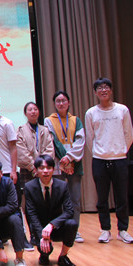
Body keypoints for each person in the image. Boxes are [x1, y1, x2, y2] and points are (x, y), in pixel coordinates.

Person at [85, 77, 133, 244]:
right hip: (99, 160)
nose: (103, 90)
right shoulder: (91, 113)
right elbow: (90, 138)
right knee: (102, 198)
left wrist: (120, 150)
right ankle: (105, 229)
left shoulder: (122, 110)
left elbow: (129, 134)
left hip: (119, 159)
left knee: (122, 197)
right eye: (100, 88)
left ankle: (123, 230)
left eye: (106, 87)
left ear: (111, 90)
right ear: (95, 92)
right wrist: (99, 153)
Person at [44, 91, 85, 243]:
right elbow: (53, 141)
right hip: (57, 164)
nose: (61, 103)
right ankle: (57, 229)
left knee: (75, 199)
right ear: (54, 104)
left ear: (68, 102)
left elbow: (80, 141)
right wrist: (64, 160)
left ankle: (74, 230)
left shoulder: (76, 120)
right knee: (57, 199)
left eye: (64, 100)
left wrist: (70, 158)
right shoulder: (49, 121)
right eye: (58, 101)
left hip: (74, 164)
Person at [24, 155, 78, 266]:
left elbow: (69, 211)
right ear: (36, 170)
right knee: (46, 250)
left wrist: (52, 225)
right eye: (42, 168)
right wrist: (42, 235)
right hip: (40, 227)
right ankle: (44, 255)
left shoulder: (62, 185)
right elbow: (31, 214)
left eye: (48, 168)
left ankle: (63, 256)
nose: (45, 171)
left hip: (56, 226)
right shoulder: (29, 187)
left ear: (53, 169)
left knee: (72, 224)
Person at [16, 102, 54, 192]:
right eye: (30, 110)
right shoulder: (21, 130)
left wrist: (42, 167)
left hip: (44, 170)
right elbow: (21, 152)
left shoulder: (45, 130)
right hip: (27, 170)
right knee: (28, 196)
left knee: (45, 195)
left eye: (35, 109)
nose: (33, 112)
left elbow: (50, 149)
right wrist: (34, 168)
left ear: (39, 112)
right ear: (25, 113)